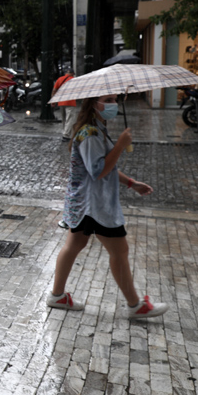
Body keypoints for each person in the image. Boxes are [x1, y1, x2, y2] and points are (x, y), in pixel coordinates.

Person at [47, 94, 169, 319]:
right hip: (94, 206)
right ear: (94, 104)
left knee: (74, 244)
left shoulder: (96, 129)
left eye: (115, 100)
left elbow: (106, 168)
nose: (113, 104)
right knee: (119, 251)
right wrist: (121, 145)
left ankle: (56, 296)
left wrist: (131, 183)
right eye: (108, 99)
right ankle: (135, 305)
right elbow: (98, 170)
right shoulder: (90, 134)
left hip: (86, 202)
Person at [51, 68, 78, 141]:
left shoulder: (60, 79)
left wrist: (53, 101)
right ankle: (66, 135)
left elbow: (54, 90)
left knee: (64, 118)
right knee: (70, 119)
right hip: (70, 101)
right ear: (72, 73)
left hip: (61, 101)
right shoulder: (74, 80)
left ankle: (66, 133)